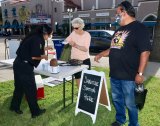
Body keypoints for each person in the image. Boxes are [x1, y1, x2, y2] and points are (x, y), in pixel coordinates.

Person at [94, 1, 151, 126]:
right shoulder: (119, 30)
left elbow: (145, 52)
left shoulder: (139, 28)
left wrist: (140, 73)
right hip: (115, 74)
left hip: (129, 76)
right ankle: (120, 120)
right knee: (117, 100)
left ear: (124, 12)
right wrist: (101, 53)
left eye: (117, 13)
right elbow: (114, 47)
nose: (116, 16)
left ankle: (133, 124)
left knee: (131, 104)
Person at [10, 24, 53, 118]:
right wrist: (44, 56)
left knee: (19, 88)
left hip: (18, 63)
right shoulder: (37, 39)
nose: (49, 37)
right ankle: (35, 112)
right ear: (45, 33)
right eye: (49, 35)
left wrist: (45, 48)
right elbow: (33, 56)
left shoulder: (34, 37)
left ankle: (14, 107)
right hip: (25, 66)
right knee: (31, 90)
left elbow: (31, 49)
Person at [65, 17, 91, 87]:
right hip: (75, 60)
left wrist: (75, 45)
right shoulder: (73, 33)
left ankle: (85, 95)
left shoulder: (87, 35)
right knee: (78, 81)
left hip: (84, 60)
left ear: (81, 26)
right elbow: (66, 40)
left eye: (76, 28)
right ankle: (80, 94)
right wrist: (67, 42)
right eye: (73, 28)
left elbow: (85, 49)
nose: (74, 29)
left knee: (86, 80)